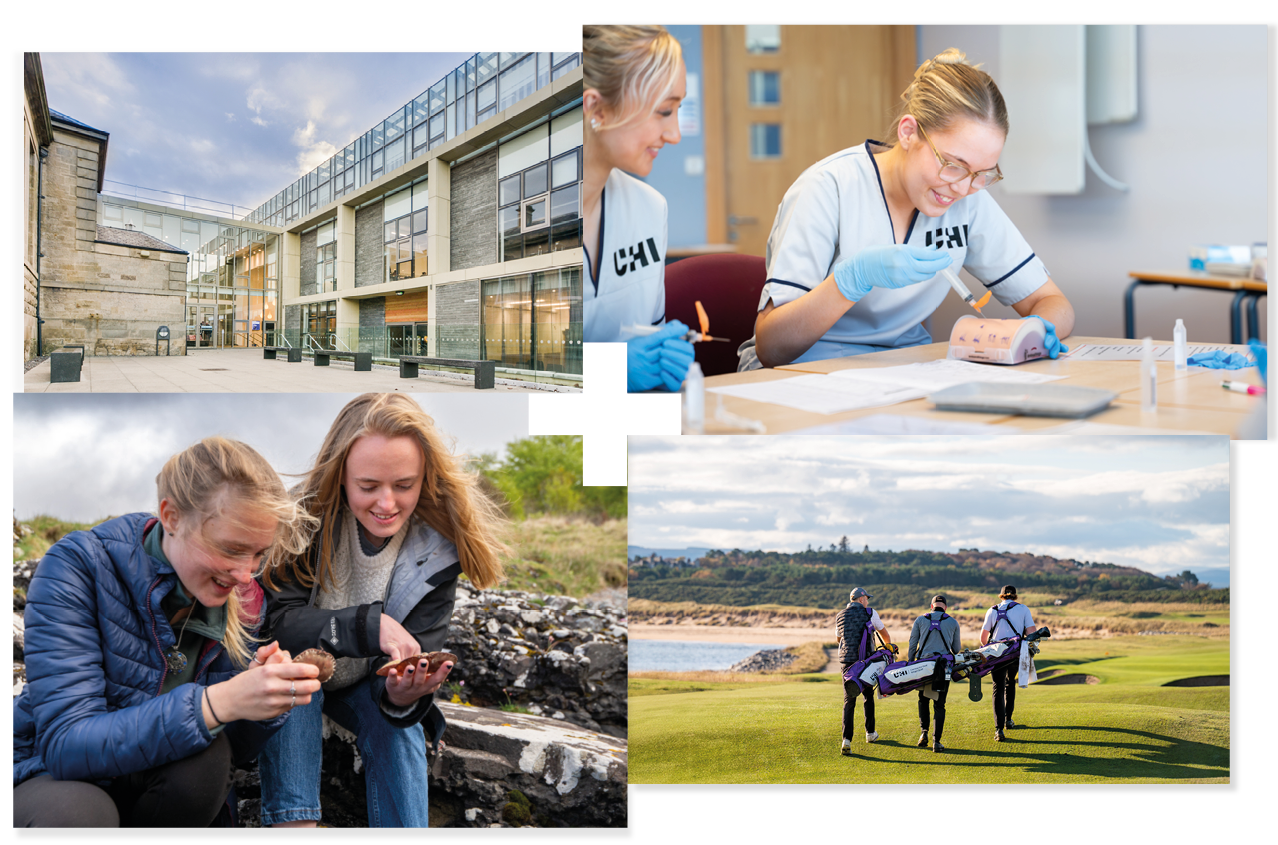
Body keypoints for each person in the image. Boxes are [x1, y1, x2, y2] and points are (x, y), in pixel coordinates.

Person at [13, 437, 321, 828]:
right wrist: (215, 702)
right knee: (80, 814)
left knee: (207, 762)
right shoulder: (78, 568)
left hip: (152, 787)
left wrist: (262, 704)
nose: (246, 574)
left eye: (258, 554)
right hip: (49, 779)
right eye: (231, 549)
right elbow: (66, 745)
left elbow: (236, 755)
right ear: (171, 517)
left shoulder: (241, 598)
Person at [256, 393, 507, 828]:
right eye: (368, 487)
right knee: (294, 682)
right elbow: (279, 627)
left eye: (403, 485)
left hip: (366, 687)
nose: (386, 504)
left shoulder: (440, 551)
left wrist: (403, 695)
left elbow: (410, 669)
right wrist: (371, 626)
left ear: (424, 477)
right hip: (298, 670)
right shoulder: (299, 523)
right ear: (341, 476)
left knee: (401, 728)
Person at [740, 48, 1075, 371]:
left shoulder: (968, 199)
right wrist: (851, 281)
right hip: (804, 369)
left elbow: (1053, 303)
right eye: (953, 164)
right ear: (909, 132)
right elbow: (772, 346)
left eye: (983, 173)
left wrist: (1034, 330)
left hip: (899, 370)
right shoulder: (829, 187)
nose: (962, 187)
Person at [583, 23, 696, 392]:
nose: (675, 134)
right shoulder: (518, 224)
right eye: (664, 111)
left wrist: (662, 353)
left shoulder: (650, 209)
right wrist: (603, 372)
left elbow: (650, 330)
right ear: (596, 108)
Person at [835, 587, 895, 754]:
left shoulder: (839, 615)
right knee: (868, 696)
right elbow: (885, 635)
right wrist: (889, 649)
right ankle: (870, 733)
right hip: (866, 661)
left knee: (849, 699)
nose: (868, 601)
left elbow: (838, 639)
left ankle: (846, 740)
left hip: (846, 662)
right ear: (861, 599)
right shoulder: (870, 612)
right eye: (867, 598)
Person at [981, 584, 1037, 741]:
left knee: (997, 688)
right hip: (1014, 653)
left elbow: (983, 638)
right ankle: (1008, 720)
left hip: (997, 653)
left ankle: (998, 730)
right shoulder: (1023, 609)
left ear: (1001, 596)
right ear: (1015, 596)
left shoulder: (992, 610)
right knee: (1010, 683)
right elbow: (1031, 634)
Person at [908, 594, 962, 753]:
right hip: (943, 667)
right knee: (939, 705)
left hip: (923, 666)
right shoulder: (953, 622)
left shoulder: (920, 620)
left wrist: (911, 662)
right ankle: (936, 742)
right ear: (945, 607)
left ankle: (923, 733)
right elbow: (957, 649)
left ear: (931, 606)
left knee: (923, 700)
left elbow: (912, 644)